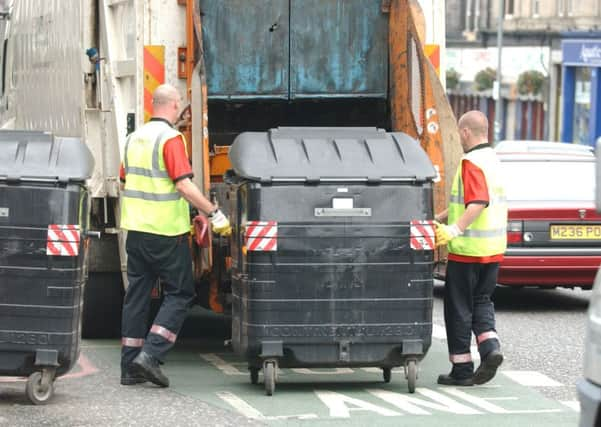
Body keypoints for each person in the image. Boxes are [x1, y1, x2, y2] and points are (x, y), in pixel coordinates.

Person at [119, 84, 231, 388]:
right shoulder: (170, 139)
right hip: (167, 234)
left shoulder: (133, 139)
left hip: (137, 232)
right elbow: (181, 185)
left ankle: (129, 367)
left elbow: (127, 180)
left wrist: (186, 212)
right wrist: (211, 212)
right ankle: (151, 355)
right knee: (180, 294)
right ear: (173, 105)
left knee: (137, 296)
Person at [434, 110, 507, 386]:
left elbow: (477, 202)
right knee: (481, 301)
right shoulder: (493, 160)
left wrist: (453, 230)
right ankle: (490, 349)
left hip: (467, 250)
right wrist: (440, 218)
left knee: (458, 308)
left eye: (459, 134)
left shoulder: (471, 161)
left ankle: (462, 369)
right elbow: (467, 202)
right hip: (492, 249)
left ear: (466, 132)